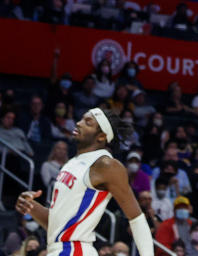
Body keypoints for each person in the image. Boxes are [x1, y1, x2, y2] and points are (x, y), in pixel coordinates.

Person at [15, 108, 154, 256]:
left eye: (88, 122)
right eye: (81, 119)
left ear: (101, 136)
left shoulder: (107, 165)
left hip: (75, 250)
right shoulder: (72, 163)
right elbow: (57, 226)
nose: (79, 123)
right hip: (59, 249)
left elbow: (136, 218)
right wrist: (31, 207)